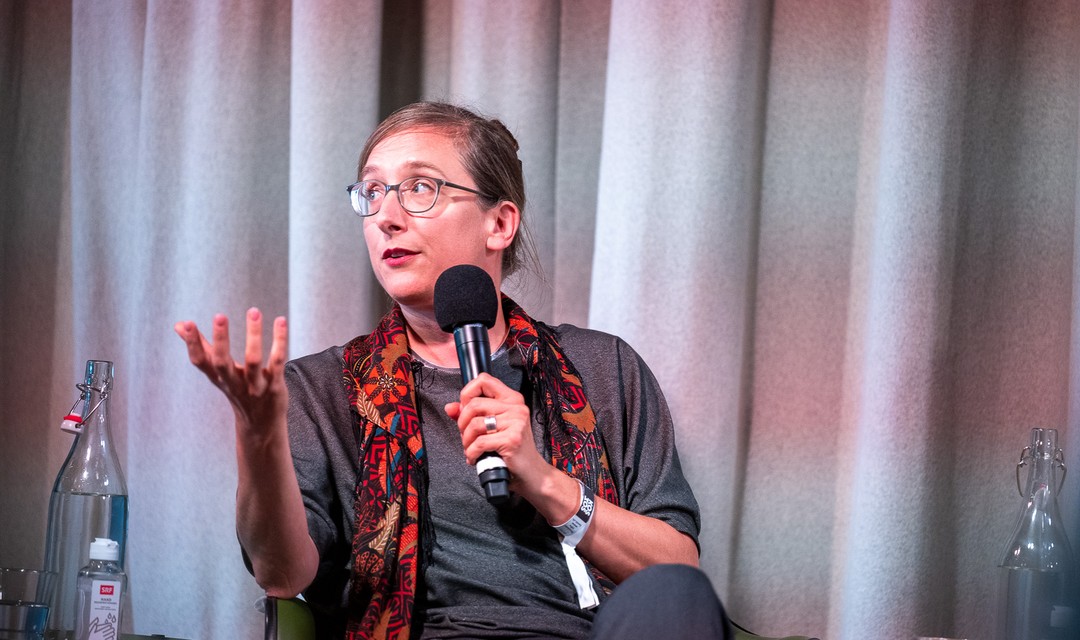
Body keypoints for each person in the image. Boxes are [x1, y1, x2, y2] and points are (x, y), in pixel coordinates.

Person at [175, 101, 733, 639]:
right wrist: (258, 435)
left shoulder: (604, 368)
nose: (387, 218)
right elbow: (281, 574)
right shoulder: (319, 390)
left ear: (499, 224)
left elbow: (675, 571)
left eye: (420, 188)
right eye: (372, 192)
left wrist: (544, 482)